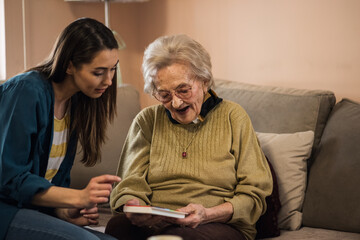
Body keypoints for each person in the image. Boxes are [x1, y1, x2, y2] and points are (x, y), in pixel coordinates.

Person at [105, 34, 273, 240]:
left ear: (204, 81)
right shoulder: (147, 120)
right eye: (164, 95)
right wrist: (133, 207)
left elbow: (254, 193)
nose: (176, 103)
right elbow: (129, 183)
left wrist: (208, 214)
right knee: (118, 227)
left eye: (183, 90)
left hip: (219, 224)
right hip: (157, 223)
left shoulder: (233, 116)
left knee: (183, 238)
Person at [0, 18, 122, 240]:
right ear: (69, 65)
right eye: (98, 72)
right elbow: (9, 179)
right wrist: (77, 197)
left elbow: (49, 183)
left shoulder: (75, 102)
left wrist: (65, 211)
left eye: (113, 69)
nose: (109, 80)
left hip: (30, 211)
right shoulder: (27, 91)